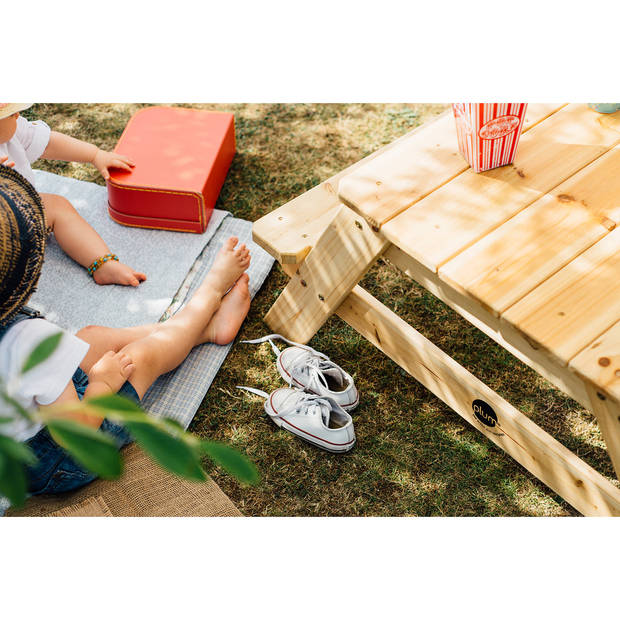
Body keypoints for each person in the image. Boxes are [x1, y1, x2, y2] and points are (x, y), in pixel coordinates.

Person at [0, 165, 251, 496]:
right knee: (140, 357)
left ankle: (204, 330)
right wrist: (103, 382)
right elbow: (77, 430)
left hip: (25, 428)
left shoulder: (25, 340)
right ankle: (209, 295)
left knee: (90, 338)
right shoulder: (30, 340)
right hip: (62, 460)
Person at [0, 103, 146, 286]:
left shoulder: (12, 132)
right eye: (10, 112)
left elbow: (48, 144)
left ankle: (102, 263)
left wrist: (94, 155)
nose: (17, 114)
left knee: (58, 207)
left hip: (20, 218)